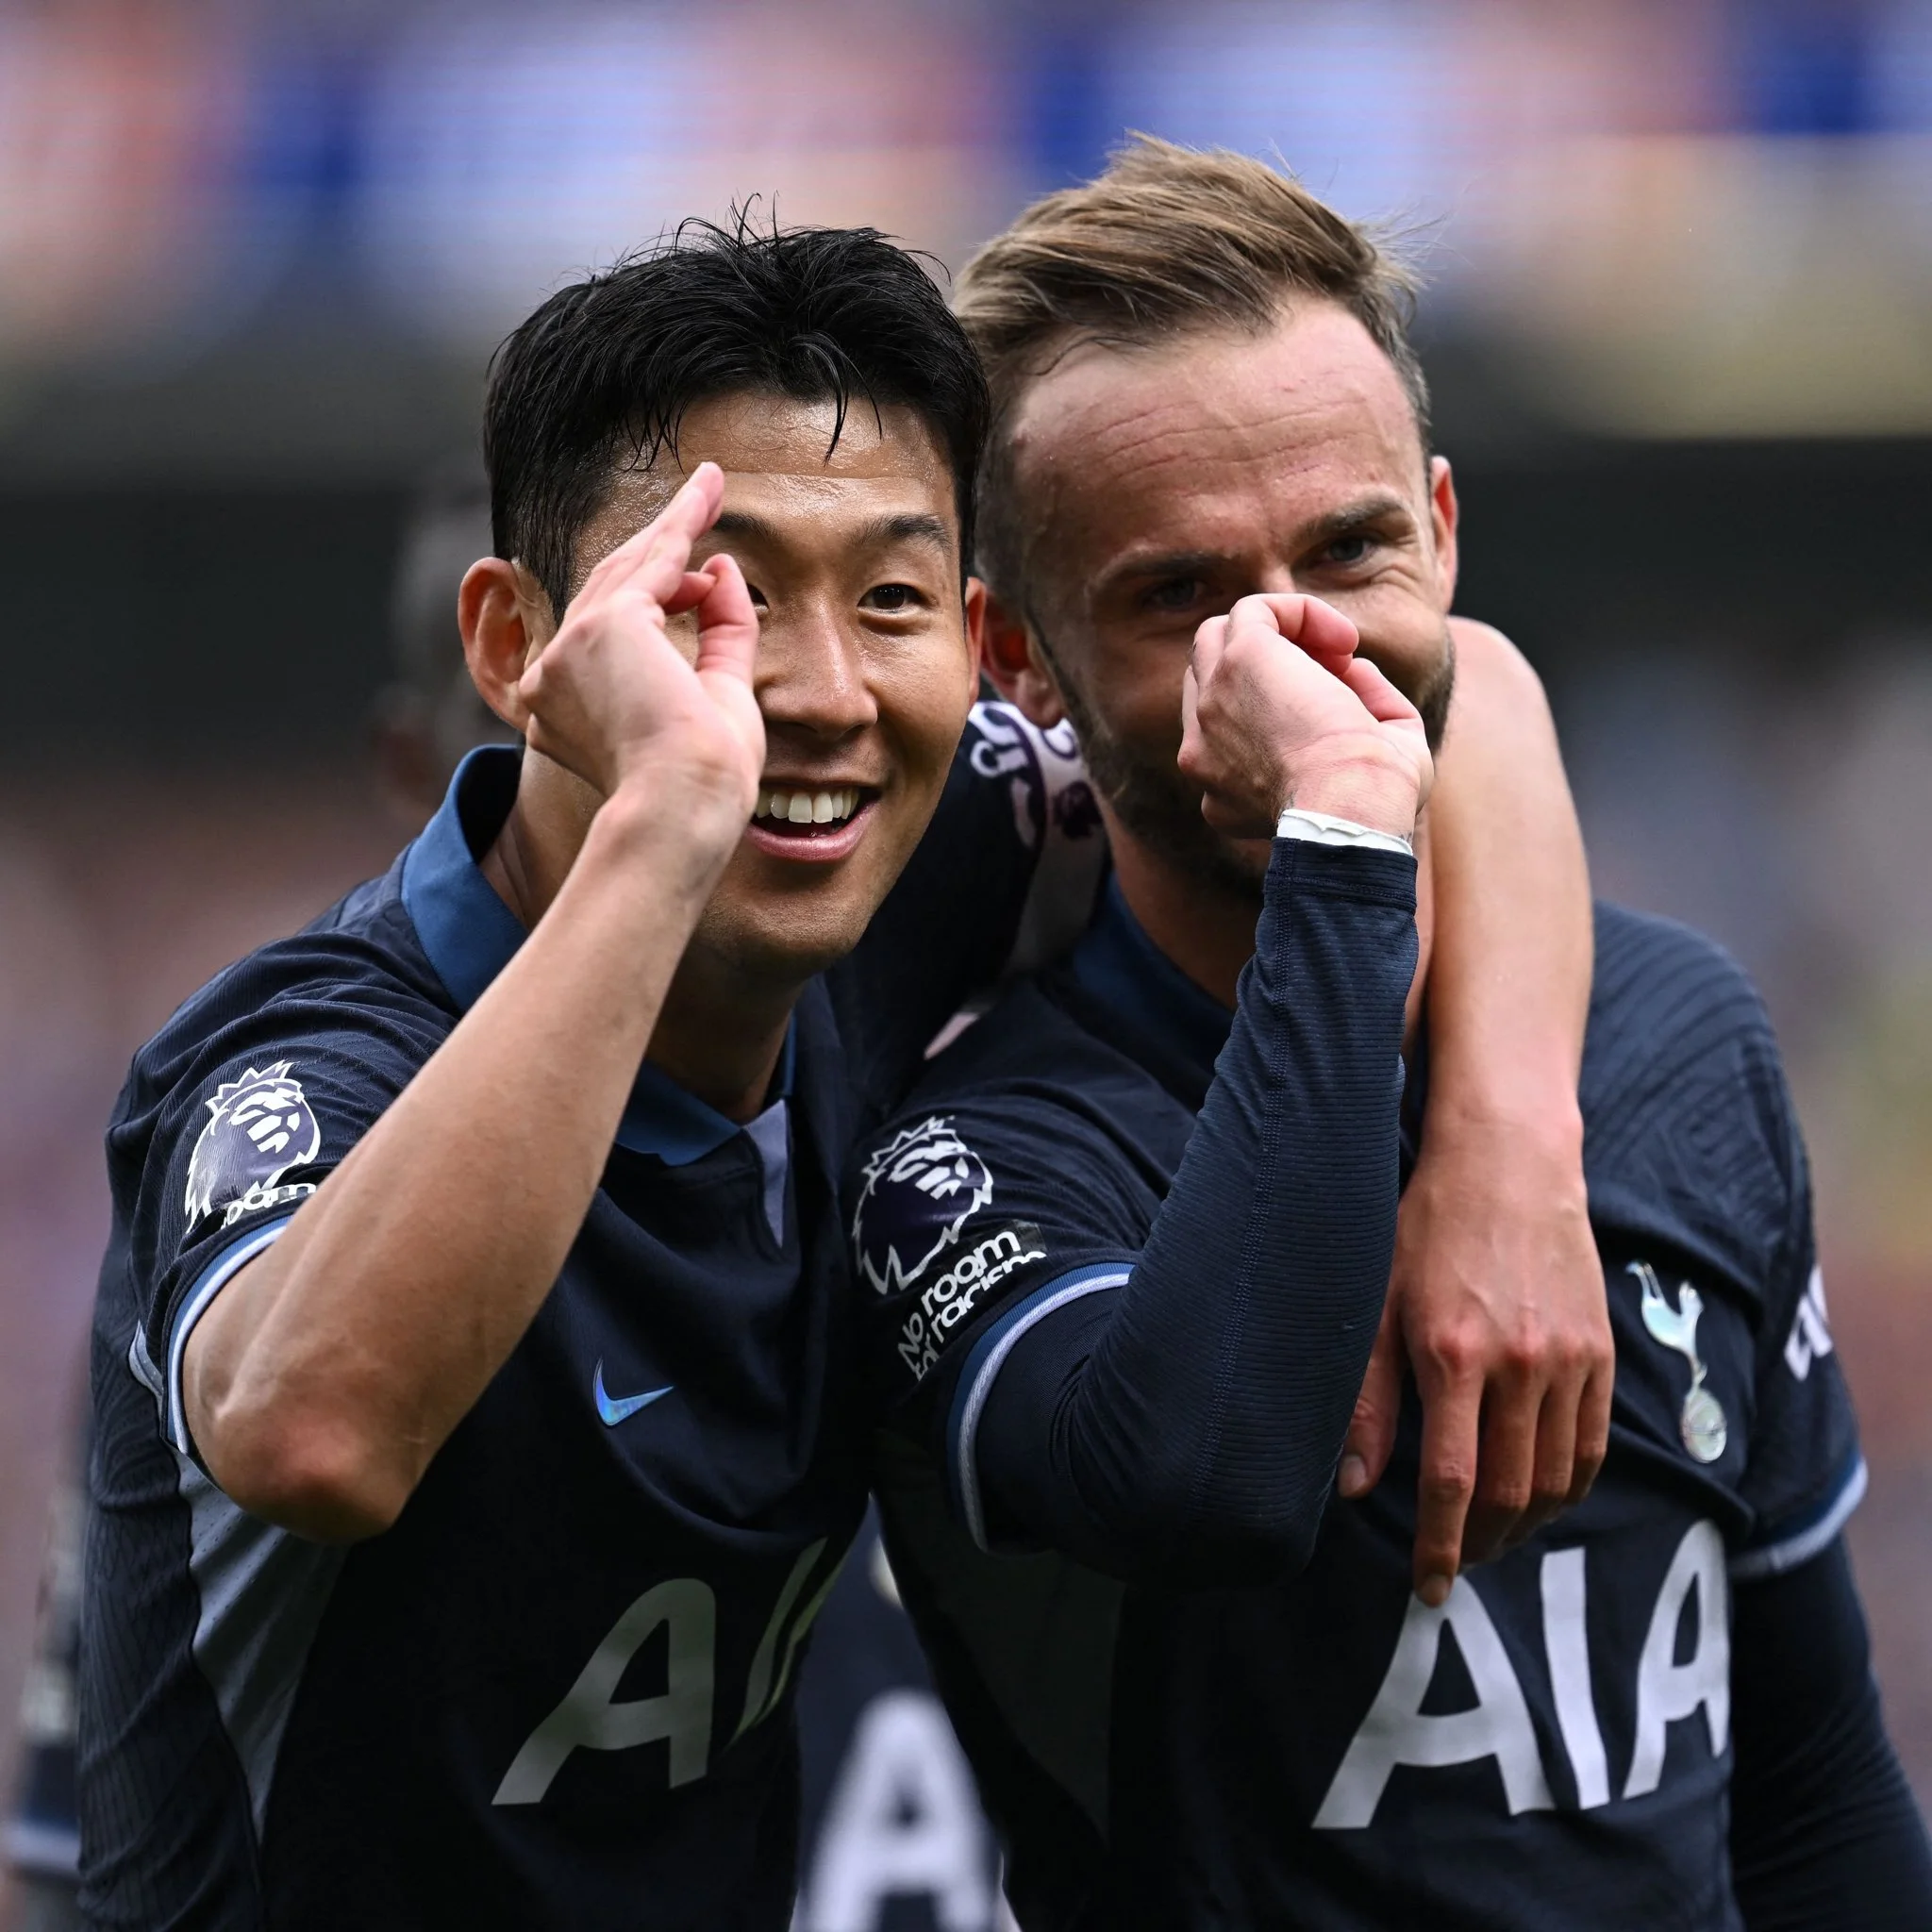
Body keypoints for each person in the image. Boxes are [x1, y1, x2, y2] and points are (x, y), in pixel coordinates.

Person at [77, 213, 1594, 1931]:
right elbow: (313, 1432)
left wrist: (1505, 1141)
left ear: (976, 638)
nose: (806, 694)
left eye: (886, 599)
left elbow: (1468, 695)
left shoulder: (901, 874)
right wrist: (663, 818)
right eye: (710, 613)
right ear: (515, 648)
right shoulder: (308, 1057)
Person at [847, 139, 1932, 1929]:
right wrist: (1355, 828)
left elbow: (1810, 1784)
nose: (1296, 648)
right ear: (1013, 657)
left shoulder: (1671, 1042)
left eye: (1354, 547)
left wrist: (1510, 1138)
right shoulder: (979, 1157)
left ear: (1444, 529)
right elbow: (1203, 1476)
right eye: (1182, 595)